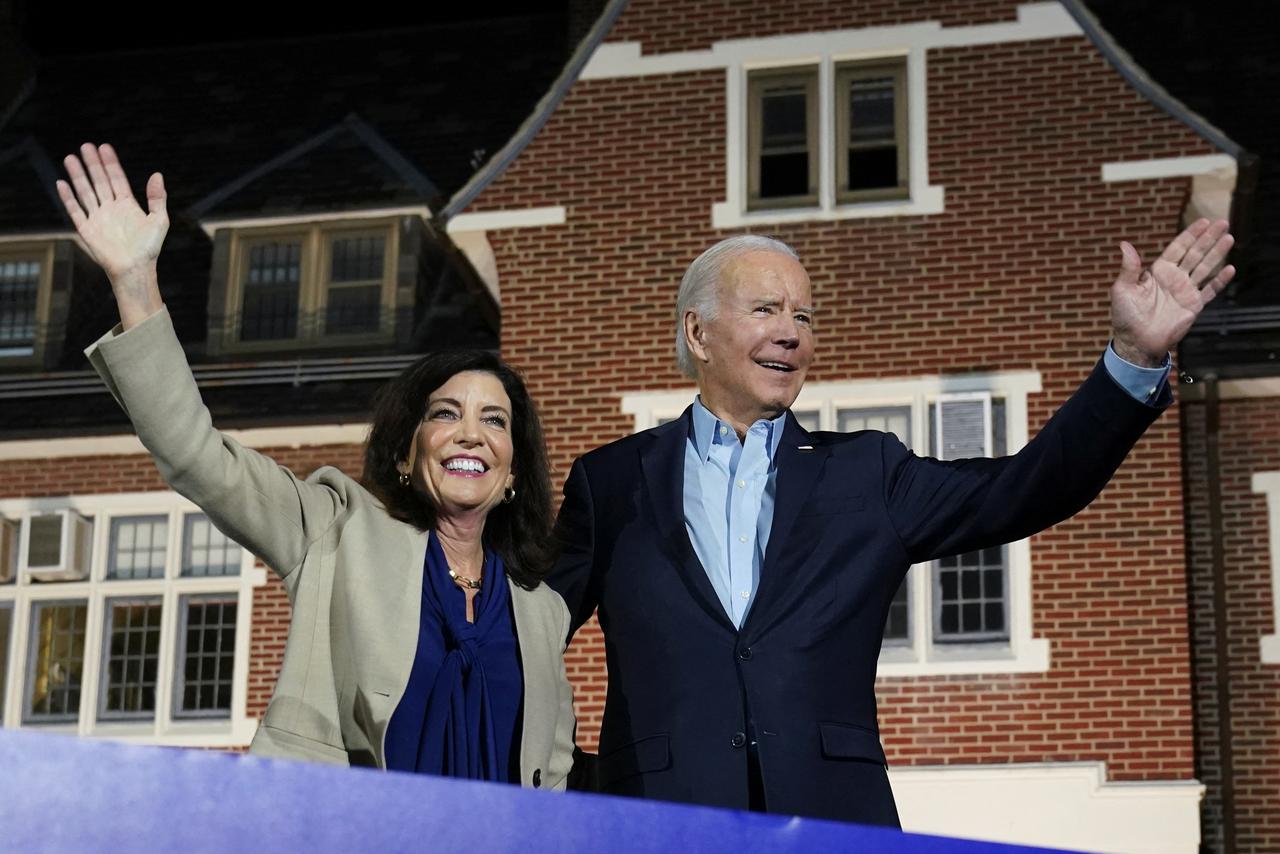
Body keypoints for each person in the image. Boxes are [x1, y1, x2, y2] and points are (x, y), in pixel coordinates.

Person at [548, 227, 1235, 824]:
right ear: (698, 332)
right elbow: (527, 632)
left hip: (834, 820)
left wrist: (1133, 360)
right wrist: (568, 771)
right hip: (659, 824)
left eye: (805, 316)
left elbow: (1029, 487)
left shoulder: (867, 474)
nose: (793, 332)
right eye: (766, 309)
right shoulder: (611, 483)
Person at [58, 143, 575, 788]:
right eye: (446, 414)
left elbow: (551, 775)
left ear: (515, 471)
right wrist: (135, 281)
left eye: (494, 421)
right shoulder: (333, 529)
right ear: (406, 454)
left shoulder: (543, 610)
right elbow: (196, 456)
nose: (470, 435)